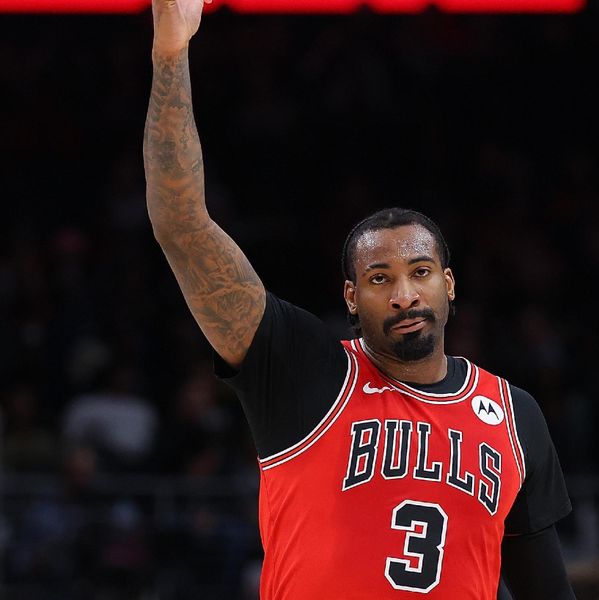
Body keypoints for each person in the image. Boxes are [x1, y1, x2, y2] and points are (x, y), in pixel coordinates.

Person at [143, 1, 575, 598]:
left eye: (420, 272)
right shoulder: (303, 369)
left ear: (449, 284)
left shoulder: (515, 415)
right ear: (350, 296)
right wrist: (171, 53)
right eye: (379, 279)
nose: (403, 294)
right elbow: (181, 226)